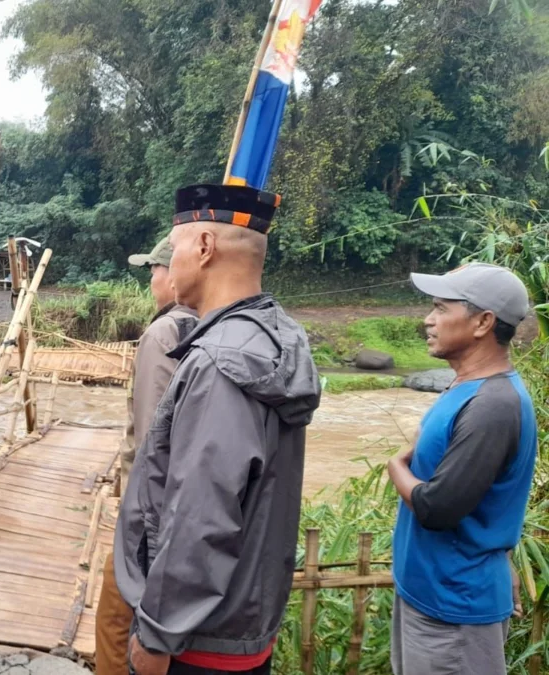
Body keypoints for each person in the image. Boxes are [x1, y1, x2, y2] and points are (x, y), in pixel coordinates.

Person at [118, 184, 321, 675]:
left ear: (204, 247)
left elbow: (200, 516)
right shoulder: (274, 337)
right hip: (242, 622)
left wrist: (156, 634)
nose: (173, 259)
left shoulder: (220, 363)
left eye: (178, 244)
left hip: (195, 640)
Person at [387, 263, 536, 675]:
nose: (428, 320)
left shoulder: (492, 405)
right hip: (430, 594)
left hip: (455, 611)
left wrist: (394, 464)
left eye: (440, 308)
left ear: (483, 322)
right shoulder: (464, 387)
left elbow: (438, 507)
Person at [95, 236, 197, 675]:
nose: (152, 278)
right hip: (189, 513)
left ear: (174, 275)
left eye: (155, 269)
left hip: (150, 511)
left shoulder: (165, 333)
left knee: (114, 617)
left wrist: (140, 522)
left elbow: (153, 440)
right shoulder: (212, 325)